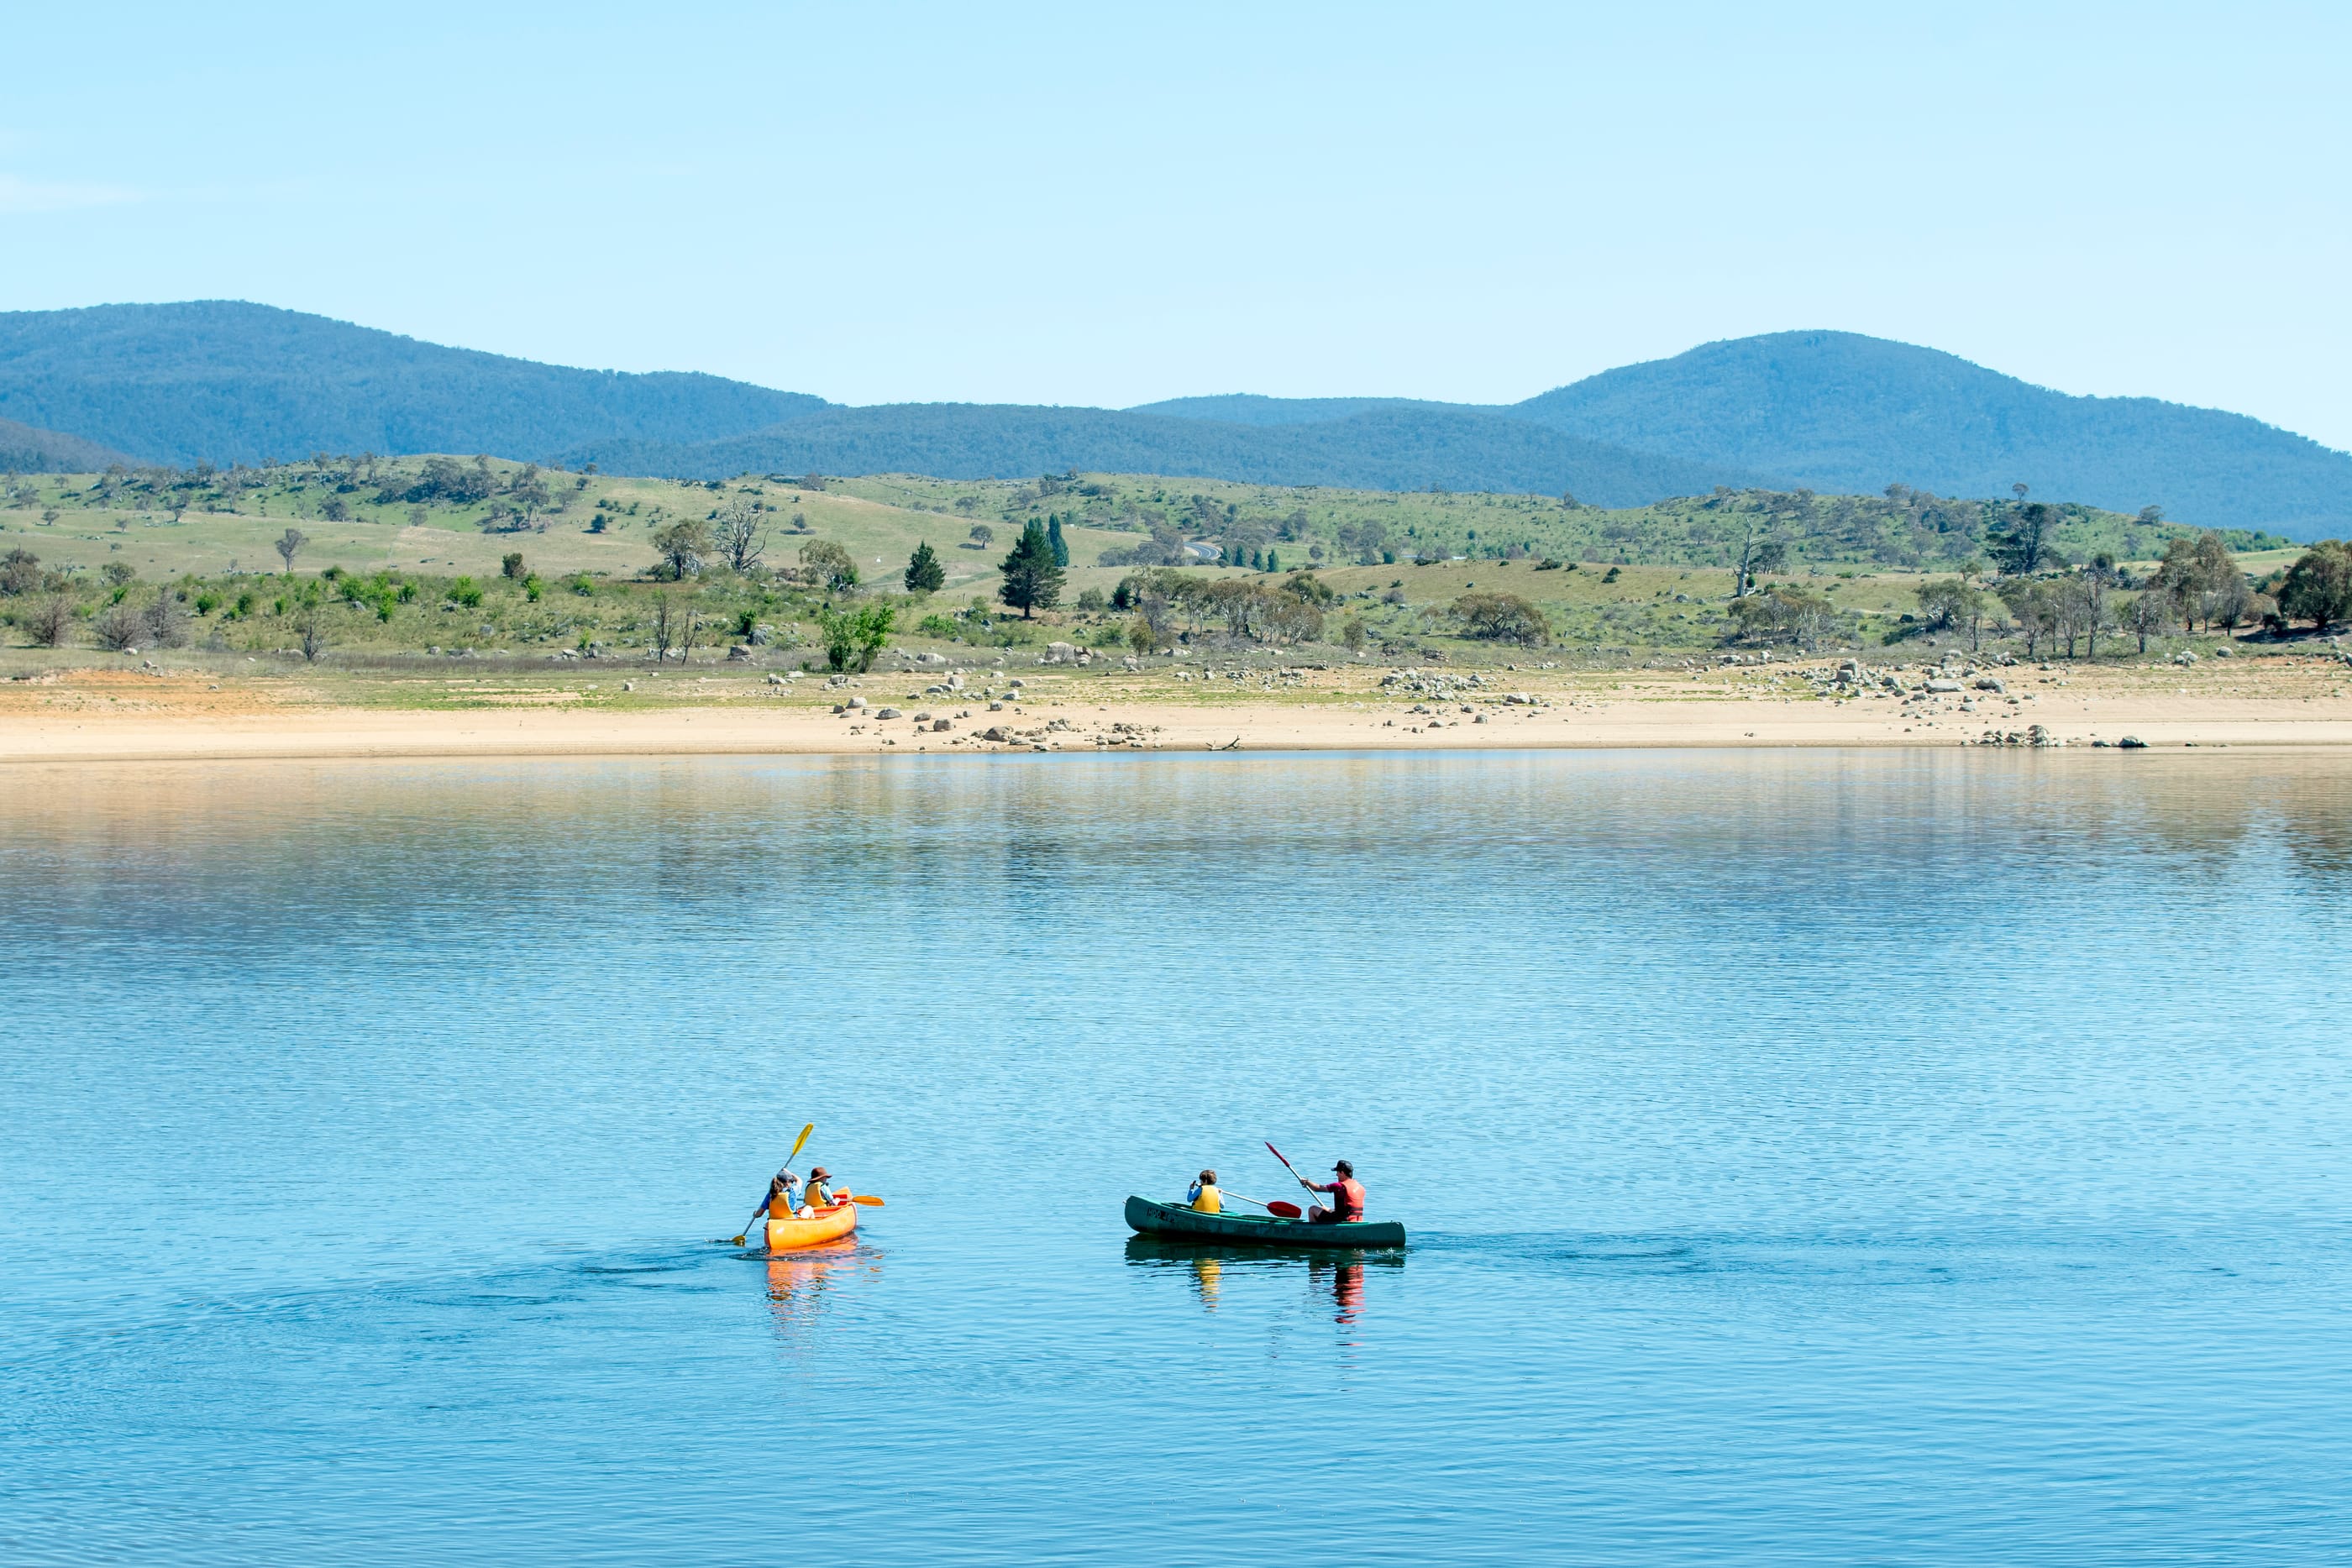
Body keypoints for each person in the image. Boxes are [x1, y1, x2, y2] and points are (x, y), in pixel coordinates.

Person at [1306, 1160, 1364, 1225]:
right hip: (1356, 1220)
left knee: (1312, 1209)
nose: (1336, 1175)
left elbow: (1316, 1188)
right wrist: (1330, 1210)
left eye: (1337, 1172)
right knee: (1324, 1208)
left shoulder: (1339, 1186)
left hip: (1342, 1221)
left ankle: (1315, 1232)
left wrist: (1307, 1182)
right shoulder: (1360, 1187)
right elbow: (1348, 1208)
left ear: (1342, 1172)